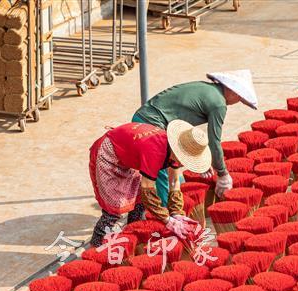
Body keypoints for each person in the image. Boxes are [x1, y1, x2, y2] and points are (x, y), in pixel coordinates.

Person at [132, 70, 259, 203]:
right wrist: (223, 174)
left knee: (175, 174)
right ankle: (166, 216)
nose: (236, 102)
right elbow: (214, 141)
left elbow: (180, 129)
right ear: (233, 91)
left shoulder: (206, 88)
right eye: (239, 98)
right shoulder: (219, 104)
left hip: (144, 117)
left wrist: (201, 161)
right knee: (161, 169)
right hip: (150, 123)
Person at [88, 120, 211, 247]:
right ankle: (96, 245)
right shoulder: (156, 151)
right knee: (115, 208)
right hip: (110, 153)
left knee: (139, 202)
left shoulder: (173, 151)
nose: (184, 163)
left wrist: (176, 213)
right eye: (185, 158)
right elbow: (147, 189)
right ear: (177, 150)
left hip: (130, 154)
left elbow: (174, 181)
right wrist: (168, 220)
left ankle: (133, 237)